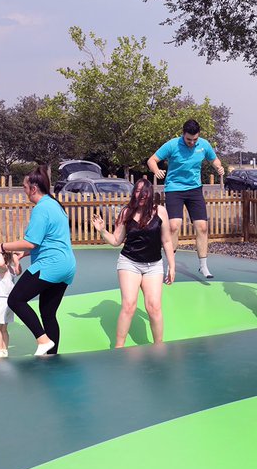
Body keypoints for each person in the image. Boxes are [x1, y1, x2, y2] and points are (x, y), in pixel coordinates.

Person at [0, 165, 76, 356]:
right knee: (48, 313)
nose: (23, 191)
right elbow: (50, 239)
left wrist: (2, 247)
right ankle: (52, 355)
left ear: (33, 189)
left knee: (16, 300)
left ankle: (43, 340)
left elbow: (31, 242)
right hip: (67, 266)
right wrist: (24, 254)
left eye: (24, 187)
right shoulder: (55, 205)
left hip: (51, 266)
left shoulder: (41, 209)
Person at [92, 177, 177, 347]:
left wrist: (172, 267)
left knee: (154, 307)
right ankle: (118, 347)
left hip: (153, 265)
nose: (141, 194)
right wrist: (102, 230)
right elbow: (116, 240)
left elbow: (167, 241)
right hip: (129, 262)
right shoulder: (126, 212)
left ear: (150, 193)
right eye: (137, 191)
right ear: (134, 193)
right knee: (129, 305)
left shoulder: (160, 211)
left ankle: (158, 346)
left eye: (144, 191)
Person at [148, 119, 224, 279]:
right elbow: (152, 160)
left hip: (195, 190)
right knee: (174, 226)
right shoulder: (172, 145)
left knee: (202, 227)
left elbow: (214, 159)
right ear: (183, 135)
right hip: (174, 189)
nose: (192, 142)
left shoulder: (204, 145)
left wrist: (218, 166)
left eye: (195, 139)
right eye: (189, 139)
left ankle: (203, 266)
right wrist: (156, 170)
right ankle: (170, 266)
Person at [0, 247, 22, 358]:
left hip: (0, 301)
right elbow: (19, 270)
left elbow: (1, 264)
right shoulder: (11, 269)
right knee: (3, 329)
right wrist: (16, 261)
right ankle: (4, 349)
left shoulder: (3, 269)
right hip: (8, 302)